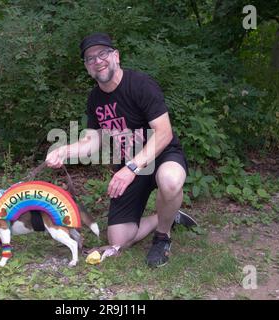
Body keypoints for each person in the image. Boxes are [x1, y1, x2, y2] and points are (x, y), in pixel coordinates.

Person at [46, 32, 197, 267]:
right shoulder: (95, 99)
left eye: (103, 53)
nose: (97, 60)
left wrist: (131, 168)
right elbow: (91, 142)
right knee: (118, 240)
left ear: (116, 56)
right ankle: (168, 215)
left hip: (160, 155)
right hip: (128, 166)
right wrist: (63, 151)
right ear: (87, 67)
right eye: (90, 58)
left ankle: (162, 237)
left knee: (170, 180)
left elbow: (164, 133)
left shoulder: (140, 84)